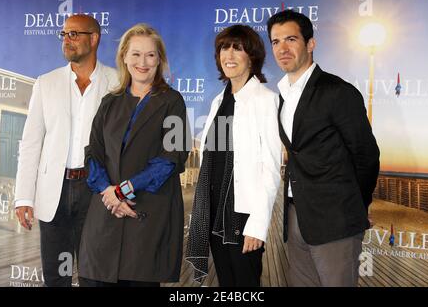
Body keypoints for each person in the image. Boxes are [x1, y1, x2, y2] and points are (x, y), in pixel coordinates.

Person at [266, 10, 380, 287]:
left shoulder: (337, 91)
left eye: (291, 39)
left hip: (336, 220)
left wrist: (353, 206)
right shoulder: (282, 96)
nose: (282, 49)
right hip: (296, 215)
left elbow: (367, 156)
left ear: (310, 44)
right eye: (276, 41)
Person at [78, 23, 190, 287]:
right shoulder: (109, 102)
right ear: (124, 57)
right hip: (104, 219)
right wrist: (108, 191)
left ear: (159, 59)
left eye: (151, 55)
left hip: (145, 220)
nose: (143, 62)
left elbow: (169, 159)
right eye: (136, 54)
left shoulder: (173, 102)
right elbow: (93, 152)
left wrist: (122, 191)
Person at [14, 14, 118, 287]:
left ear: (94, 39)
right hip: (54, 192)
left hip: (97, 191)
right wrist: (24, 195)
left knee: (95, 274)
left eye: (74, 34)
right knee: (57, 276)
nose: (66, 40)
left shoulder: (118, 83)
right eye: (64, 34)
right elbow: (31, 142)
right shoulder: (45, 83)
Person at [186, 25, 281, 287]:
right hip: (214, 210)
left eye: (237, 48)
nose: (229, 54)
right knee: (227, 284)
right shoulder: (219, 101)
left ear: (251, 56)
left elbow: (271, 169)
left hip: (242, 216)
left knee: (245, 285)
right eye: (223, 48)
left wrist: (258, 225)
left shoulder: (265, 100)